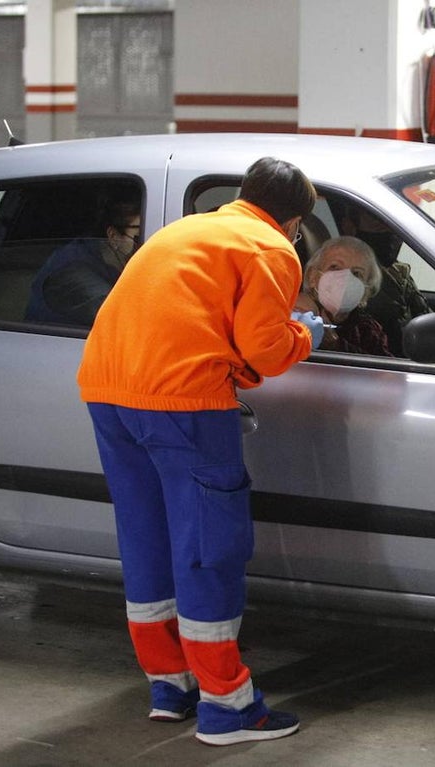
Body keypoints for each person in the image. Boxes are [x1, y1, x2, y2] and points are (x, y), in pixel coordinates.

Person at [76, 157, 325, 747]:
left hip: (109, 393)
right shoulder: (270, 248)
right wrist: (310, 330)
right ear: (292, 221)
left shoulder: (186, 229)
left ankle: (171, 686)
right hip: (184, 405)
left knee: (147, 537)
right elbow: (264, 351)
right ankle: (228, 707)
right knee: (208, 547)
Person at [25, 196, 142, 325]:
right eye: (139, 237)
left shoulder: (114, 261)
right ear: (113, 237)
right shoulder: (72, 272)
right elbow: (124, 319)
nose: (148, 243)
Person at [341, 206, 430, 357]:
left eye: (392, 221)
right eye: (376, 219)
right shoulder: (350, 285)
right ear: (349, 227)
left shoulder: (398, 272)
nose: (388, 229)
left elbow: (427, 320)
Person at [296, 236, 391, 356]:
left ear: (366, 290)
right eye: (335, 267)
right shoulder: (300, 313)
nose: (345, 279)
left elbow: (383, 369)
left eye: (357, 274)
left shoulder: (368, 330)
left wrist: (335, 345)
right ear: (312, 277)